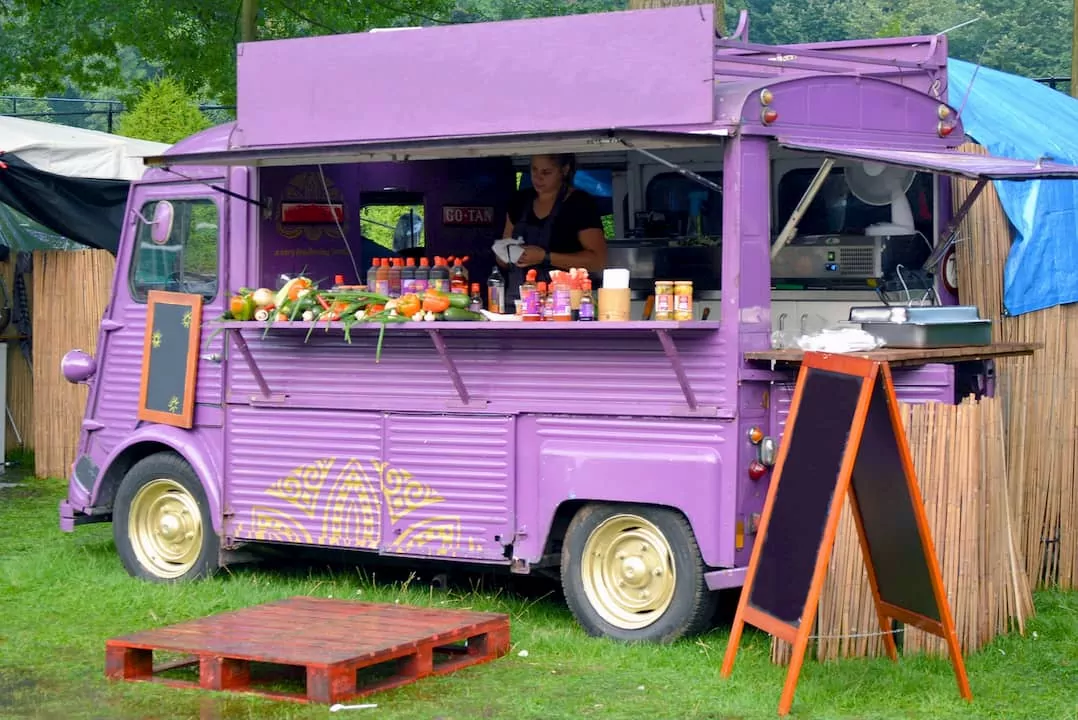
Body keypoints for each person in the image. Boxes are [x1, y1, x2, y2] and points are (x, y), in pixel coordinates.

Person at [498, 153, 607, 301]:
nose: (538, 178)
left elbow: (598, 261)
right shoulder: (519, 201)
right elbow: (503, 252)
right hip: (518, 302)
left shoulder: (580, 204)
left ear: (565, 170)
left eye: (546, 172)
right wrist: (506, 255)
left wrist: (545, 257)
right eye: (534, 170)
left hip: (562, 304)